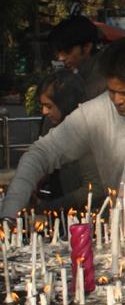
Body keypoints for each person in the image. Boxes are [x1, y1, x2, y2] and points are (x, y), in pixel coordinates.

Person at [0, 34, 125, 221]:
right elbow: (40, 154)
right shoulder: (97, 112)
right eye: (111, 91)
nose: (117, 101)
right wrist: (10, 211)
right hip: (117, 240)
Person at [33, 68, 99, 211]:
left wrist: (52, 207)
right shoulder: (53, 126)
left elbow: (94, 189)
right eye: (43, 106)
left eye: (49, 106)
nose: (44, 112)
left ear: (66, 104)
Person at [47, 14, 106, 98]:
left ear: (87, 47)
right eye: (58, 53)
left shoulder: (105, 76)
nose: (61, 58)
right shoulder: (75, 74)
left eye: (67, 51)